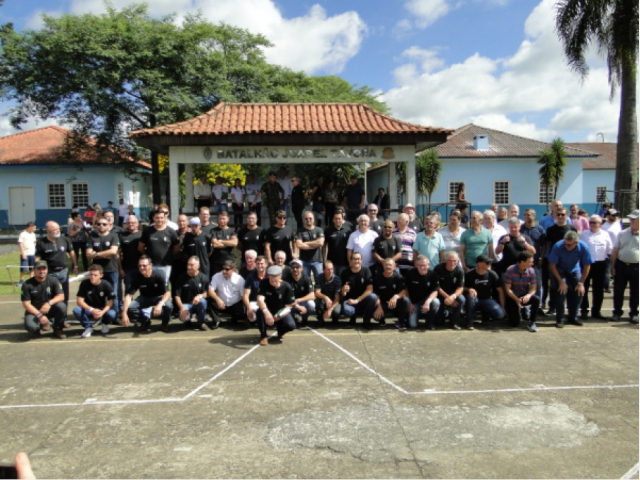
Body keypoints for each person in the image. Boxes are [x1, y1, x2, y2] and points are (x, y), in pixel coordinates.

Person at [548, 231, 593, 328]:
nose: (566, 246)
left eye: (569, 245)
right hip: (559, 270)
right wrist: (561, 282)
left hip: (574, 270)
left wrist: (581, 283)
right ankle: (560, 318)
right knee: (561, 293)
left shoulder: (583, 247)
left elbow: (587, 265)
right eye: (565, 243)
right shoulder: (558, 246)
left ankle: (573, 317)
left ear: (576, 243)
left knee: (578, 292)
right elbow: (552, 265)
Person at [122, 255, 172, 333]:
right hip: (144, 298)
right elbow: (128, 295)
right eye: (140, 266)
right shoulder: (137, 277)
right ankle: (145, 321)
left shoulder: (158, 275)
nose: (141, 268)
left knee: (169, 306)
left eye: (144, 265)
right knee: (131, 307)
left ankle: (165, 323)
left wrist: (160, 304)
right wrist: (124, 313)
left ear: (150, 265)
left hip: (158, 297)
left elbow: (167, 293)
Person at [36, 221, 78, 309]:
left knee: (65, 294)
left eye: (58, 228)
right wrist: (37, 270)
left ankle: (63, 315)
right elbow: (37, 258)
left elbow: (71, 252)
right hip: (50, 273)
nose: (58, 230)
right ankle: (51, 314)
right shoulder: (41, 243)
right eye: (55, 229)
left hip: (64, 272)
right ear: (47, 230)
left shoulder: (64, 239)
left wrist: (75, 265)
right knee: (51, 294)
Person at [544, 208, 578, 315]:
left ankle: (570, 310)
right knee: (554, 286)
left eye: (562, 214)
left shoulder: (572, 228)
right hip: (555, 261)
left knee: (571, 286)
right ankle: (552, 307)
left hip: (569, 261)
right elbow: (549, 244)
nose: (560, 216)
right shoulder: (550, 229)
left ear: (567, 215)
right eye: (558, 214)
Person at [21, 260, 66, 339]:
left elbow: (61, 296)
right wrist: (39, 315)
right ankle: (38, 327)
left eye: (44, 269)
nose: (42, 271)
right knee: (31, 327)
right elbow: (26, 304)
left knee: (62, 306)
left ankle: (58, 329)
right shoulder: (27, 284)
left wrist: (49, 303)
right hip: (35, 311)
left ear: (47, 269)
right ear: (34, 270)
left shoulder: (54, 280)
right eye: (39, 269)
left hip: (49, 309)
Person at [579, 215, 612, 320]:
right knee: (584, 287)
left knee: (598, 289)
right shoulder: (583, 234)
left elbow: (609, 249)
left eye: (594, 222)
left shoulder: (605, 234)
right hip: (586, 264)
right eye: (590, 222)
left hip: (600, 264)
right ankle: (584, 311)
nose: (592, 224)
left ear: (600, 224)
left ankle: (596, 311)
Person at [610, 210, 638, 324]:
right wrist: (612, 267)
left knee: (636, 292)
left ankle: (634, 313)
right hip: (621, 265)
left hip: (637, 267)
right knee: (618, 291)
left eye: (634, 219)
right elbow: (615, 251)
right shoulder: (622, 233)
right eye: (630, 219)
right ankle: (617, 313)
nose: (631, 221)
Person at [86, 215, 121, 309]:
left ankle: (114, 313)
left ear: (109, 225)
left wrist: (96, 254)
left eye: (104, 224)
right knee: (96, 293)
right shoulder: (92, 237)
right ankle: (97, 312)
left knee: (113, 293)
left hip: (111, 270)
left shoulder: (114, 236)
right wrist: (105, 255)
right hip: (96, 271)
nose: (101, 226)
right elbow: (88, 253)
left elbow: (113, 251)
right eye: (99, 224)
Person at [73, 264, 117, 338]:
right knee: (76, 310)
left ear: (101, 275)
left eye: (95, 275)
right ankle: (88, 327)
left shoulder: (106, 284)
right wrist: (92, 310)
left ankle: (104, 323)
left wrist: (102, 312)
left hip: (101, 308)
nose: (92, 277)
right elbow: (79, 301)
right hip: (88, 309)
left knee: (113, 313)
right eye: (91, 274)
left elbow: (111, 302)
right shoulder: (84, 283)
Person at [256, 265, 296, 345]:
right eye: (271, 276)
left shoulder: (286, 286)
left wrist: (279, 315)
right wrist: (266, 312)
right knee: (259, 312)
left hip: (280, 309)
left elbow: (289, 305)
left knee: (291, 325)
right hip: (267, 308)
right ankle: (263, 336)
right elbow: (260, 299)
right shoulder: (264, 283)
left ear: (280, 276)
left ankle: (281, 331)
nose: (273, 278)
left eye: (275, 276)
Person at [463, 255, 505, 330]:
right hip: (474, 300)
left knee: (500, 314)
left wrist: (502, 306)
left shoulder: (492, 274)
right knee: (470, 297)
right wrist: (469, 289)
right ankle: (469, 322)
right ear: (479, 264)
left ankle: (486, 316)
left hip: (486, 299)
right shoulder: (469, 274)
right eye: (487, 263)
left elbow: (500, 290)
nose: (490, 264)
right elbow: (461, 288)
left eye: (490, 263)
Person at [139, 209, 180, 283]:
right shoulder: (147, 231)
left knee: (164, 285)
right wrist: (147, 256)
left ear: (165, 218)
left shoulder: (171, 232)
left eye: (161, 218)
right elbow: (140, 247)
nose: (159, 220)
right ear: (153, 218)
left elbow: (176, 248)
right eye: (157, 218)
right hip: (151, 265)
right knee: (151, 285)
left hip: (166, 265)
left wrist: (170, 256)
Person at [503, 251, 541, 332]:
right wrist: (516, 299)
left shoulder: (531, 271)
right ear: (522, 262)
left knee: (536, 299)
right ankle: (517, 312)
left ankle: (532, 322)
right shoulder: (510, 270)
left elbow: (533, 288)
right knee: (514, 323)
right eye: (530, 262)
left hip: (524, 296)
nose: (532, 264)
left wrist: (528, 295)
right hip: (513, 297)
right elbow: (508, 289)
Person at [339, 252, 377, 328]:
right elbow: (342, 294)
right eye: (354, 259)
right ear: (350, 260)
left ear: (362, 260)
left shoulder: (366, 271)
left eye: (358, 259)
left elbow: (370, 289)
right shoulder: (345, 272)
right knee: (347, 310)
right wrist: (344, 290)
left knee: (373, 297)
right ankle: (353, 318)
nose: (357, 261)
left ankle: (366, 320)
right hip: (350, 301)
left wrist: (357, 300)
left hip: (362, 300)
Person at [173, 256, 210, 331]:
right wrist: (182, 308)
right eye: (188, 264)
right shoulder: (181, 278)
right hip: (186, 305)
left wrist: (200, 296)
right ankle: (188, 320)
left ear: (198, 266)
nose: (189, 267)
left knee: (203, 302)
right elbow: (177, 295)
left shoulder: (204, 277)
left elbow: (207, 293)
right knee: (183, 317)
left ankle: (201, 322)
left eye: (191, 265)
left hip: (198, 304)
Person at [520, 208, 546, 315]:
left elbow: (543, 245)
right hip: (523, 262)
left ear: (534, 216)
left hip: (535, 261)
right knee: (524, 284)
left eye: (528, 214)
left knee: (538, 284)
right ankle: (524, 307)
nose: (526, 216)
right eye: (525, 214)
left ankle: (537, 306)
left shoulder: (539, 229)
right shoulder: (521, 229)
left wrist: (541, 258)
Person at [373, 258, 409, 331]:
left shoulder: (398, 277)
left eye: (390, 265)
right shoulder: (377, 278)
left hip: (395, 304)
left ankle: (401, 322)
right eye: (386, 265)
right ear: (383, 266)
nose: (388, 267)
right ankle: (381, 320)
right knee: (376, 316)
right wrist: (379, 307)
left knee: (405, 300)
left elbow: (404, 291)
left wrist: (395, 297)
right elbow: (376, 294)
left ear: (394, 267)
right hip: (383, 304)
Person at [207, 259, 246, 328]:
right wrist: (218, 300)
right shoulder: (216, 276)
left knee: (241, 311)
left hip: (234, 304)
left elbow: (243, 296)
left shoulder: (240, 279)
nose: (224, 271)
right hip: (221, 304)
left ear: (233, 269)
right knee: (210, 300)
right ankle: (217, 321)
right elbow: (210, 290)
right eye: (223, 269)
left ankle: (234, 319)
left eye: (227, 269)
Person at [405, 255, 439, 329]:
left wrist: (428, 301)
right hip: (414, 302)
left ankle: (429, 323)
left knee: (436, 302)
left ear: (428, 265)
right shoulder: (410, 273)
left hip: (426, 300)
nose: (422, 267)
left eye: (424, 265)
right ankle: (417, 315)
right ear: (416, 265)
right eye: (419, 265)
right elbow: (405, 289)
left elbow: (435, 291)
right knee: (412, 325)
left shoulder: (433, 274)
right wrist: (409, 302)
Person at [434, 251, 466, 330]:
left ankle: (454, 322)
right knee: (439, 322)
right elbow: (436, 286)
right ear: (446, 260)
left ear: (458, 261)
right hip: (440, 295)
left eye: (454, 261)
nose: (452, 263)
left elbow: (460, 288)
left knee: (461, 299)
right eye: (450, 260)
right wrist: (448, 297)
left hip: (453, 295)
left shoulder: (460, 270)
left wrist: (452, 297)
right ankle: (446, 313)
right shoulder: (438, 268)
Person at [118, 215, 142, 311]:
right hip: (127, 268)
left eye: (133, 222)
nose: (131, 224)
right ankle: (128, 310)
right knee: (128, 290)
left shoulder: (142, 234)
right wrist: (120, 268)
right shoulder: (122, 235)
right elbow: (118, 254)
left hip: (141, 268)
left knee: (143, 289)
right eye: (129, 223)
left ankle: (141, 309)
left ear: (137, 223)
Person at [294, 211, 325, 281]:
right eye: (306, 218)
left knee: (320, 281)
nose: (308, 220)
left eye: (310, 218)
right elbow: (298, 244)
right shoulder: (299, 231)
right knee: (305, 281)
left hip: (317, 261)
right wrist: (314, 245)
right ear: (303, 219)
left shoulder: (319, 230)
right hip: (304, 261)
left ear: (314, 219)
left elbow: (320, 242)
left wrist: (306, 243)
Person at [285, 259, 316, 326]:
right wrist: (296, 305)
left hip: (302, 302)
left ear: (302, 268)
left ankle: (304, 318)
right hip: (290, 304)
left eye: (297, 267)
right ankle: (294, 318)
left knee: (311, 304)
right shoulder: (287, 280)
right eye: (293, 267)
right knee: (291, 324)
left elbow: (312, 295)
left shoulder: (306, 279)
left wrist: (298, 300)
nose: (295, 269)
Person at [323, 211, 352, 277]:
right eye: (335, 218)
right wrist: (324, 259)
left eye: (339, 218)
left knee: (343, 281)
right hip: (332, 263)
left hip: (344, 262)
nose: (337, 220)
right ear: (333, 219)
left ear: (342, 219)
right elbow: (324, 246)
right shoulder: (328, 230)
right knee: (332, 281)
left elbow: (351, 247)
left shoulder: (348, 230)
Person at [209, 211, 238, 276]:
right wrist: (229, 244)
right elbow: (215, 244)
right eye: (220, 219)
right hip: (217, 261)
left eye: (224, 219)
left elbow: (234, 243)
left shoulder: (232, 231)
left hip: (229, 260)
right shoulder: (214, 230)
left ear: (228, 219)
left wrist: (221, 241)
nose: (222, 221)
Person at [314, 261, 343, 325]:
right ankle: (320, 318)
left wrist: (330, 309)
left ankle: (335, 319)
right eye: (328, 269)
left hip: (334, 300)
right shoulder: (319, 277)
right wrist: (326, 298)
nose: (330, 271)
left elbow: (337, 298)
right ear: (323, 270)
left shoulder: (337, 280)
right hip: (323, 300)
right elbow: (317, 293)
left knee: (337, 311)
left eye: (332, 269)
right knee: (317, 301)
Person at [17, 221, 37, 286]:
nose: (35, 229)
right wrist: (23, 253)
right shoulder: (22, 234)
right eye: (34, 228)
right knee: (23, 268)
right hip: (25, 253)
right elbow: (20, 244)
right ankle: (21, 281)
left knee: (32, 268)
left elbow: (34, 242)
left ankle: (31, 280)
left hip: (32, 254)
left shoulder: (33, 234)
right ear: (30, 227)